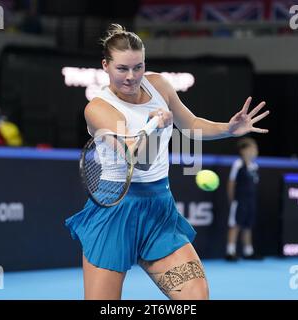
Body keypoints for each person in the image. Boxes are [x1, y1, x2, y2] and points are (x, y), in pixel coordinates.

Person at [64, 24, 270, 300]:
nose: (131, 77)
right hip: (113, 212)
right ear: (105, 65)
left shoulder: (159, 84)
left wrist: (228, 129)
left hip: (158, 211)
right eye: (122, 69)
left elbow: (191, 124)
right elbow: (139, 160)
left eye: (138, 67)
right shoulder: (99, 108)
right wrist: (157, 127)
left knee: (195, 296)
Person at [225, 137, 261, 261]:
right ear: (243, 151)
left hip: (250, 201)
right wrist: (232, 200)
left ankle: (248, 251)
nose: (255, 151)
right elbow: (231, 182)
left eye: (255, 148)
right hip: (239, 200)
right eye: (252, 148)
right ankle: (230, 251)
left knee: (247, 225)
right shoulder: (238, 164)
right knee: (235, 224)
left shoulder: (255, 166)